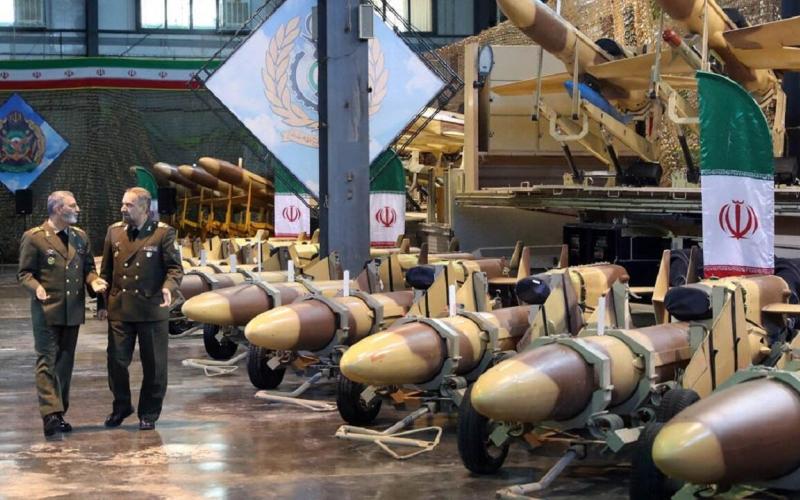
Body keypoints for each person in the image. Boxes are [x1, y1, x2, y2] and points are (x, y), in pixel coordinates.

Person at [18, 191, 108, 437]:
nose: (78, 209)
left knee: (65, 364)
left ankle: (59, 412)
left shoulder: (80, 237)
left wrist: (94, 283)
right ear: (58, 209)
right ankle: (50, 414)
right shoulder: (35, 237)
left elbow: (88, 269)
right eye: (73, 205)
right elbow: (24, 273)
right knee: (47, 361)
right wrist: (36, 288)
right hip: (47, 310)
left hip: (72, 311)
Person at [98, 187, 182, 430]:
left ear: (145, 208)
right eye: (123, 204)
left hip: (151, 309)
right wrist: (102, 304)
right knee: (116, 362)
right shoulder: (114, 232)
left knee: (154, 366)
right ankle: (121, 405)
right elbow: (106, 272)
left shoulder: (163, 233)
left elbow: (175, 269)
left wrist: (168, 288)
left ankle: (149, 413)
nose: (123, 209)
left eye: (129, 205)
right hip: (120, 308)